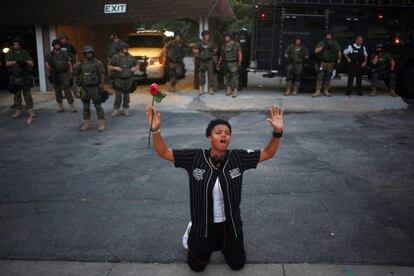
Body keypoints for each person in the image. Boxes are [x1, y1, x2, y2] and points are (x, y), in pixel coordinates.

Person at [146, 104, 284, 272]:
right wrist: (155, 130)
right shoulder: (195, 157)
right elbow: (164, 152)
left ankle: (227, 246)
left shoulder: (237, 157)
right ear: (209, 138)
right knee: (196, 267)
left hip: (230, 225)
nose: (224, 135)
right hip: (203, 225)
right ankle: (191, 232)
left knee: (238, 264)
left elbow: (267, 153)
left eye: (227, 133)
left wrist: (277, 132)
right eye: (218, 132)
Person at [74, 46, 107, 132]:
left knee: (98, 106)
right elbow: (75, 73)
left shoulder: (98, 63)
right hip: (85, 88)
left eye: (90, 53)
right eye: (87, 53)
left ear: (93, 53)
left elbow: (102, 74)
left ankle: (101, 124)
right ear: (84, 54)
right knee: (85, 106)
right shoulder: (81, 63)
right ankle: (86, 124)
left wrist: (101, 85)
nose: (89, 54)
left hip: (95, 88)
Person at [5, 37, 35, 118]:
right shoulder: (10, 53)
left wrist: (25, 61)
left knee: (27, 95)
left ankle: (30, 110)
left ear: (20, 45)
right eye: (14, 44)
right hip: (15, 77)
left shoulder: (24, 53)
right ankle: (18, 111)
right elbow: (7, 63)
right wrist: (16, 62)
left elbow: (32, 63)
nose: (16, 45)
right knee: (17, 95)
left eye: (17, 44)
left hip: (25, 77)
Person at [108, 42, 139, 117]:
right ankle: (116, 109)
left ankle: (126, 109)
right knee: (118, 96)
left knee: (126, 95)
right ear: (121, 49)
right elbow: (109, 66)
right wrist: (115, 68)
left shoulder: (130, 57)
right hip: (118, 80)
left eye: (127, 48)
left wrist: (134, 68)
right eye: (125, 48)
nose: (127, 50)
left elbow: (137, 64)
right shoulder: (116, 57)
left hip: (128, 80)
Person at [45, 39, 76, 112]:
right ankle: (60, 107)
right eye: (56, 44)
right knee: (57, 90)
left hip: (64, 74)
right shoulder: (50, 54)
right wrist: (49, 69)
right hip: (55, 74)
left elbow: (69, 62)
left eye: (58, 44)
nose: (57, 45)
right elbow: (46, 62)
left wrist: (71, 72)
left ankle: (72, 106)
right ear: (53, 45)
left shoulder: (64, 53)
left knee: (67, 90)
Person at [313, 31, 341, 97]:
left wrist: (339, 59)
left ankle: (326, 91)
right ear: (326, 35)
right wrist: (322, 47)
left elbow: (338, 51)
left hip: (331, 63)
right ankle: (318, 91)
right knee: (320, 77)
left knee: (328, 77)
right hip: (323, 62)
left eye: (330, 35)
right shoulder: (322, 42)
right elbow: (316, 51)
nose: (329, 36)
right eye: (327, 35)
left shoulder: (335, 42)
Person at [218, 33, 242, 98]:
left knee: (234, 77)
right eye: (225, 37)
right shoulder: (223, 46)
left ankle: (235, 90)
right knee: (227, 77)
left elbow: (239, 53)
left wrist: (240, 61)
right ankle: (228, 89)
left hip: (233, 63)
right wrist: (219, 62)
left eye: (227, 37)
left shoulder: (236, 44)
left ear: (230, 37)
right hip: (226, 63)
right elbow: (221, 56)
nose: (226, 38)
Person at [194, 30, 217, 95]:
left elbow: (215, 49)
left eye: (208, 35)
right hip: (202, 61)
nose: (207, 36)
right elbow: (195, 50)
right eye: (206, 35)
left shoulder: (211, 43)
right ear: (203, 36)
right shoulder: (199, 43)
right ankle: (202, 89)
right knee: (202, 75)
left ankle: (210, 89)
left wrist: (213, 50)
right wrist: (197, 50)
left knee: (210, 75)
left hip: (209, 61)